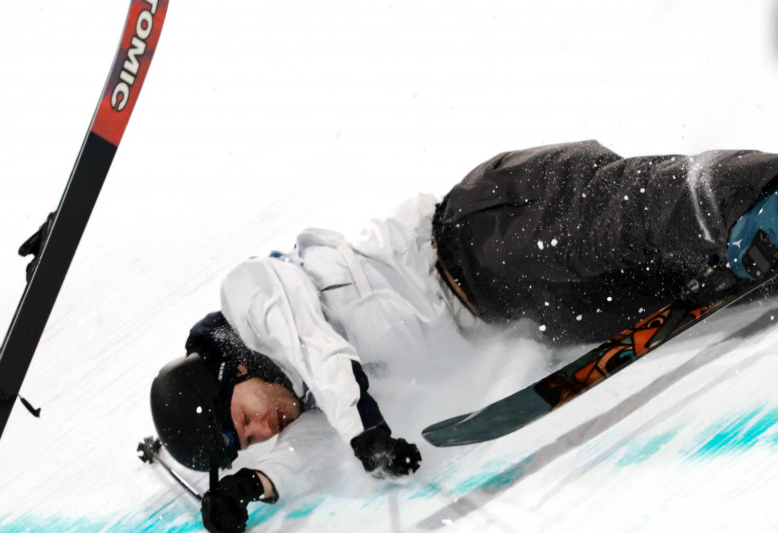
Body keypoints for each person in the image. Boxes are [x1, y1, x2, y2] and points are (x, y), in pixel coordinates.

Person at [149, 140, 778, 533]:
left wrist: (367, 431)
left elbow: (321, 347)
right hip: (517, 312)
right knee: (672, 279)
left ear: (229, 374)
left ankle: (759, 195)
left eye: (246, 425)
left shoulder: (252, 299)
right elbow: (313, 451)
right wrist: (251, 486)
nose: (267, 434)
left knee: (619, 217)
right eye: (251, 444)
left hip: (478, 237)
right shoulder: (304, 400)